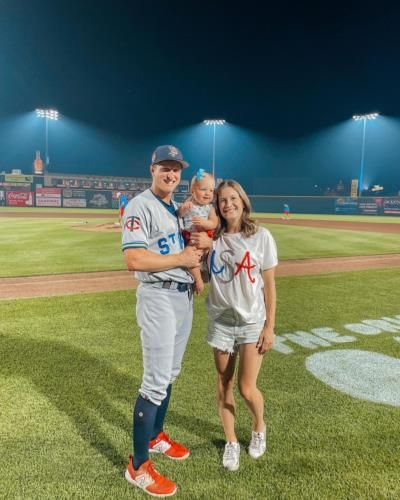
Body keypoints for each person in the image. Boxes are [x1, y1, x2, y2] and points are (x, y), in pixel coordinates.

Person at [122, 145, 202, 497]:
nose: (171, 174)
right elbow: (135, 259)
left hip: (182, 297)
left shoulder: (172, 207)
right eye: (165, 168)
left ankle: (155, 437)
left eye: (176, 169)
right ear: (151, 169)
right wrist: (181, 257)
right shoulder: (140, 204)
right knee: (155, 382)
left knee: (170, 375)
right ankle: (137, 466)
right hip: (158, 297)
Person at [191, 179, 277, 472]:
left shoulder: (261, 236)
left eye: (232, 198)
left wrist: (269, 326)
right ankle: (231, 442)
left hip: (253, 321)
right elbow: (200, 273)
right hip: (221, 322)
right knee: (224, 385)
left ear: (242, 200)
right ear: (216, 206)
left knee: (246, 388)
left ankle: (258, 426)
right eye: (222, 200)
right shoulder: (210, 238)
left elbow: (270, 286)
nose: (227, 204)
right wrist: (199, 251)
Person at [177, 168, 218, 294]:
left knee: (198, 255)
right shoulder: (188, 202)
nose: (208, 193)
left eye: (211, 190)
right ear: (192, 191)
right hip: (190, 236)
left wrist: (205, 223)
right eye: (203, 189)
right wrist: (183, 209)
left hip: (203, 235)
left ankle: (202, 275)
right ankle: (198, 279)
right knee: (191, 255)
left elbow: (214, 223)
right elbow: (179, 214)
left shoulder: (209, 208)